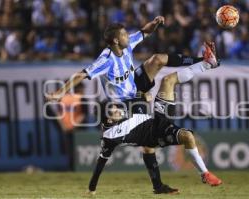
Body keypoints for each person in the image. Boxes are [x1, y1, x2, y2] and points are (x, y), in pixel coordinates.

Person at [46, 15, 217, 194]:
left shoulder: (126, 46)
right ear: (115, 40)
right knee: (147, 141)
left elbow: (144, 32)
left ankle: (204, 60)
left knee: (158, 59)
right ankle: (158, 186)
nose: (128, 37)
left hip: (136, 85)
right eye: (124, 35)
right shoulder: (106, 59)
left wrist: (155, 23)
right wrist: (60, 92)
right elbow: (82, 74)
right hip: (125, 102)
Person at [87, 44, 222, 194]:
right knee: (188, 137)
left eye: (115, 108)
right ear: (109, 120)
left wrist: (142, 96)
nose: (118, 110)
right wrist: (91, 189)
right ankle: (205, 174)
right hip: (158, 132)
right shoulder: (109, 138)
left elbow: (130, 100)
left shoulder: (120, 109)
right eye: (114, 111)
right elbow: (100, 163)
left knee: (168, 80)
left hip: (155, 118)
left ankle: (207, 64)